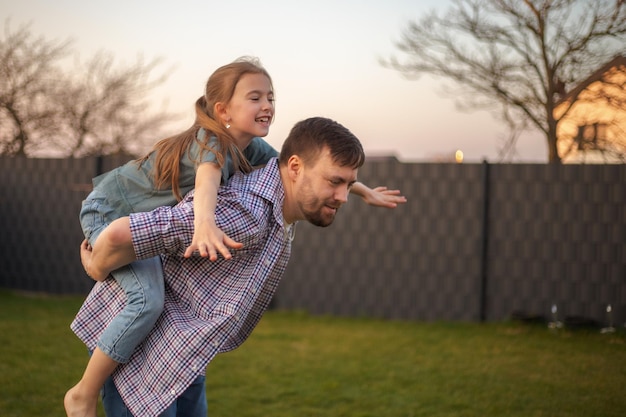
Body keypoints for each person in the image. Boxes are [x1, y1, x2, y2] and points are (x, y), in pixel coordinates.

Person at [73, 117, 373, 417]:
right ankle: (81, 394)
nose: (343, 197)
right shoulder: (245, 212)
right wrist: (96, 267)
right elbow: (120, 234)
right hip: (141, 358)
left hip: (184, 355)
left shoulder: (273, 207)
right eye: (335, 182)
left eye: (349, 184)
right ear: (294, 167)